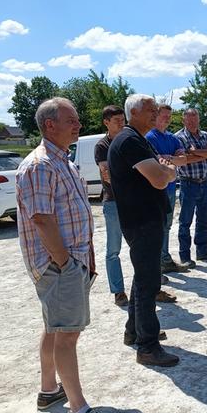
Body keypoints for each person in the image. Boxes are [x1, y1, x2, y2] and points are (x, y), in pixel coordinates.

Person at [16, 97, 114, 413]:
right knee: (67, 336)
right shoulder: (40, 165)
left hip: (69, 263)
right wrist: (66, 263)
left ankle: (48, 390)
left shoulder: (64, 162)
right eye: (70, 120)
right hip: (59, 266)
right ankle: (78, 409)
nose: (78, 124)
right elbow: (42, 220)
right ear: (49, 126)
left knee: (55, 327)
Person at [108, 94, 180, 368]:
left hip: (144, 220)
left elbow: (159, 174)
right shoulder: (129, 141)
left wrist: (165, 170)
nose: (155, 113)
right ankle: (148, 347)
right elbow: (160, 179)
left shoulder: (137, 139)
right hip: (142, 222)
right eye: (150, 110)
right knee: (149, 283)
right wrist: (169, 170)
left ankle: (134, 331)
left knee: (142, 278)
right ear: (134, 112)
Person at [145, 104, 190, 273]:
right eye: (164, 116)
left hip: (170, 188)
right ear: (155, 116)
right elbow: (156, 161)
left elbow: (183, 159)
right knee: (157, 226)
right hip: (156, 189)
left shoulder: (172, 138)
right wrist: (172, 159)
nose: (167, 119)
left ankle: (164, 259)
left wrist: (168, 158)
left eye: (169, 116)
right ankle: (157, 263)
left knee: (167, 225)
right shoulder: (149, 137)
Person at [175, 108, 207, 263]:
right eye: (189, 119)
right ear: (184, 120)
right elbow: (185, 159)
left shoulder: (205, 135)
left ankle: (202, 250)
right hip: (188, 183)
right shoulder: (179, 137)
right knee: (185, 222)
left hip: (206, 183)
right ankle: (185, 256)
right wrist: (203, 154)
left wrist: (195, 152)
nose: (192, 122)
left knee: (203, 220)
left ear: (199, 119)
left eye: (194, 119)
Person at [94, 105, 129, 307]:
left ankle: (151, 286)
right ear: (106, 122)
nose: (121, 122)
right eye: (116, 120)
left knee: (141, 247)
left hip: (134, 201)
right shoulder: (102, 146)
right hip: (114, 202)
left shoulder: (129, 139)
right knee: (113, 250)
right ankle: (118, 291)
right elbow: (107, 175)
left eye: (122, 119)